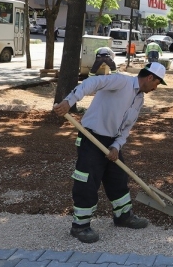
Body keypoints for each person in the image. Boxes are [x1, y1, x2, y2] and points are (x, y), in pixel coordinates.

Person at [52, 62, 167, 244]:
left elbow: (127, 128)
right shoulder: (121, 82)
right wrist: (70, 101)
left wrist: (117, 146)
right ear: (150, 77)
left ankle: (123, 216)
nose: (156, 87)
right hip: (91, 138)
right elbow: (93, 83)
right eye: (157, 83)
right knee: (87, 181)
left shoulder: (139, 99)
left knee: (118, 179)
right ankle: (80, 226)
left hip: (110, 142)